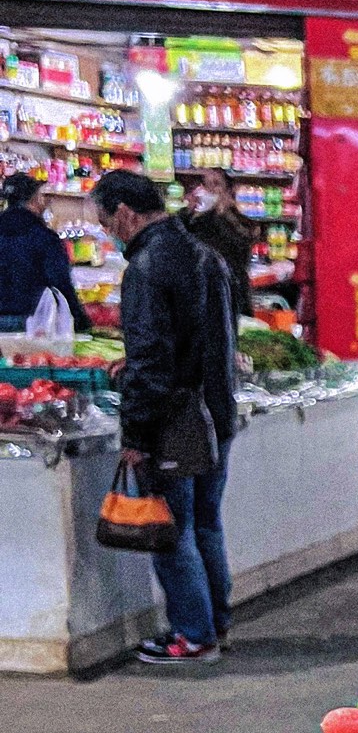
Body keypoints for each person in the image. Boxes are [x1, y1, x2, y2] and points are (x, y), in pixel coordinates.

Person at [93, 167, 236, 665]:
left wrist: (136, 431)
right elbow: (203, 339)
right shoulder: (204, 256)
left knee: (170, 530)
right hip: (216, 409)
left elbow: (155, 360)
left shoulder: (149, 266)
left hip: (175, 418)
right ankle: (215, 623)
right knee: (205, 525)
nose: (108, 233)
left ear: (126, 214)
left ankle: (193, 635)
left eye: (107, 222)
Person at [0, 171, 89, 334]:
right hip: (32, 322)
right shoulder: (44, 237)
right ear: (35, 199)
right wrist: (80, 321)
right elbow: (60, 283)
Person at [180, 168, 257, 319]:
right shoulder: (196, 219)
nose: (209, 191)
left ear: (229, 190)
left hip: (232, 294)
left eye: (215, 185)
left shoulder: (240, 221)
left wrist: (222, 213)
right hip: (201, 294)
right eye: (205, 185)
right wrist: (189, 213)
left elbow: (243, 243)